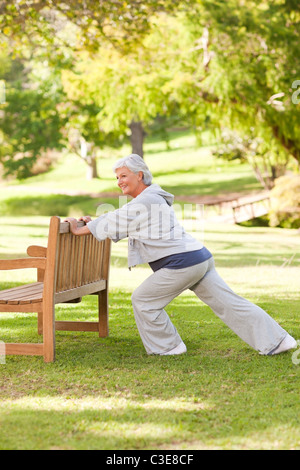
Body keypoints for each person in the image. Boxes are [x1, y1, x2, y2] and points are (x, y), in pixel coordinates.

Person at [64, 154, 297, 356]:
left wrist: (78, 228)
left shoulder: (146, 200)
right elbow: (120, 217)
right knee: (230, 303)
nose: (119, 182)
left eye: (123, 176)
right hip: (199, 258)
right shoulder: (149, 198)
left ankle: (168, 348)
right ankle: (279, 341)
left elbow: (117, 219)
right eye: (117, 178)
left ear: (140, 176)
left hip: (183, 264)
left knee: (143, 300)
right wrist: (93, 222)